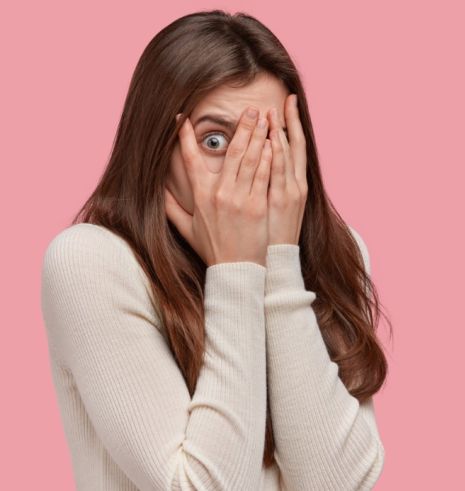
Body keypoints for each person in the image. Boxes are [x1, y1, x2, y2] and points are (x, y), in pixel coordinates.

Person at [40, 9, 390, 490]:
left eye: (271, 139)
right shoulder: (93, 263)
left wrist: (281, 267)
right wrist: (236, 271)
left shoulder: (337, 251)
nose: (247, 168)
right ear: (157, 145)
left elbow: (336, 485)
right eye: (216, 139)